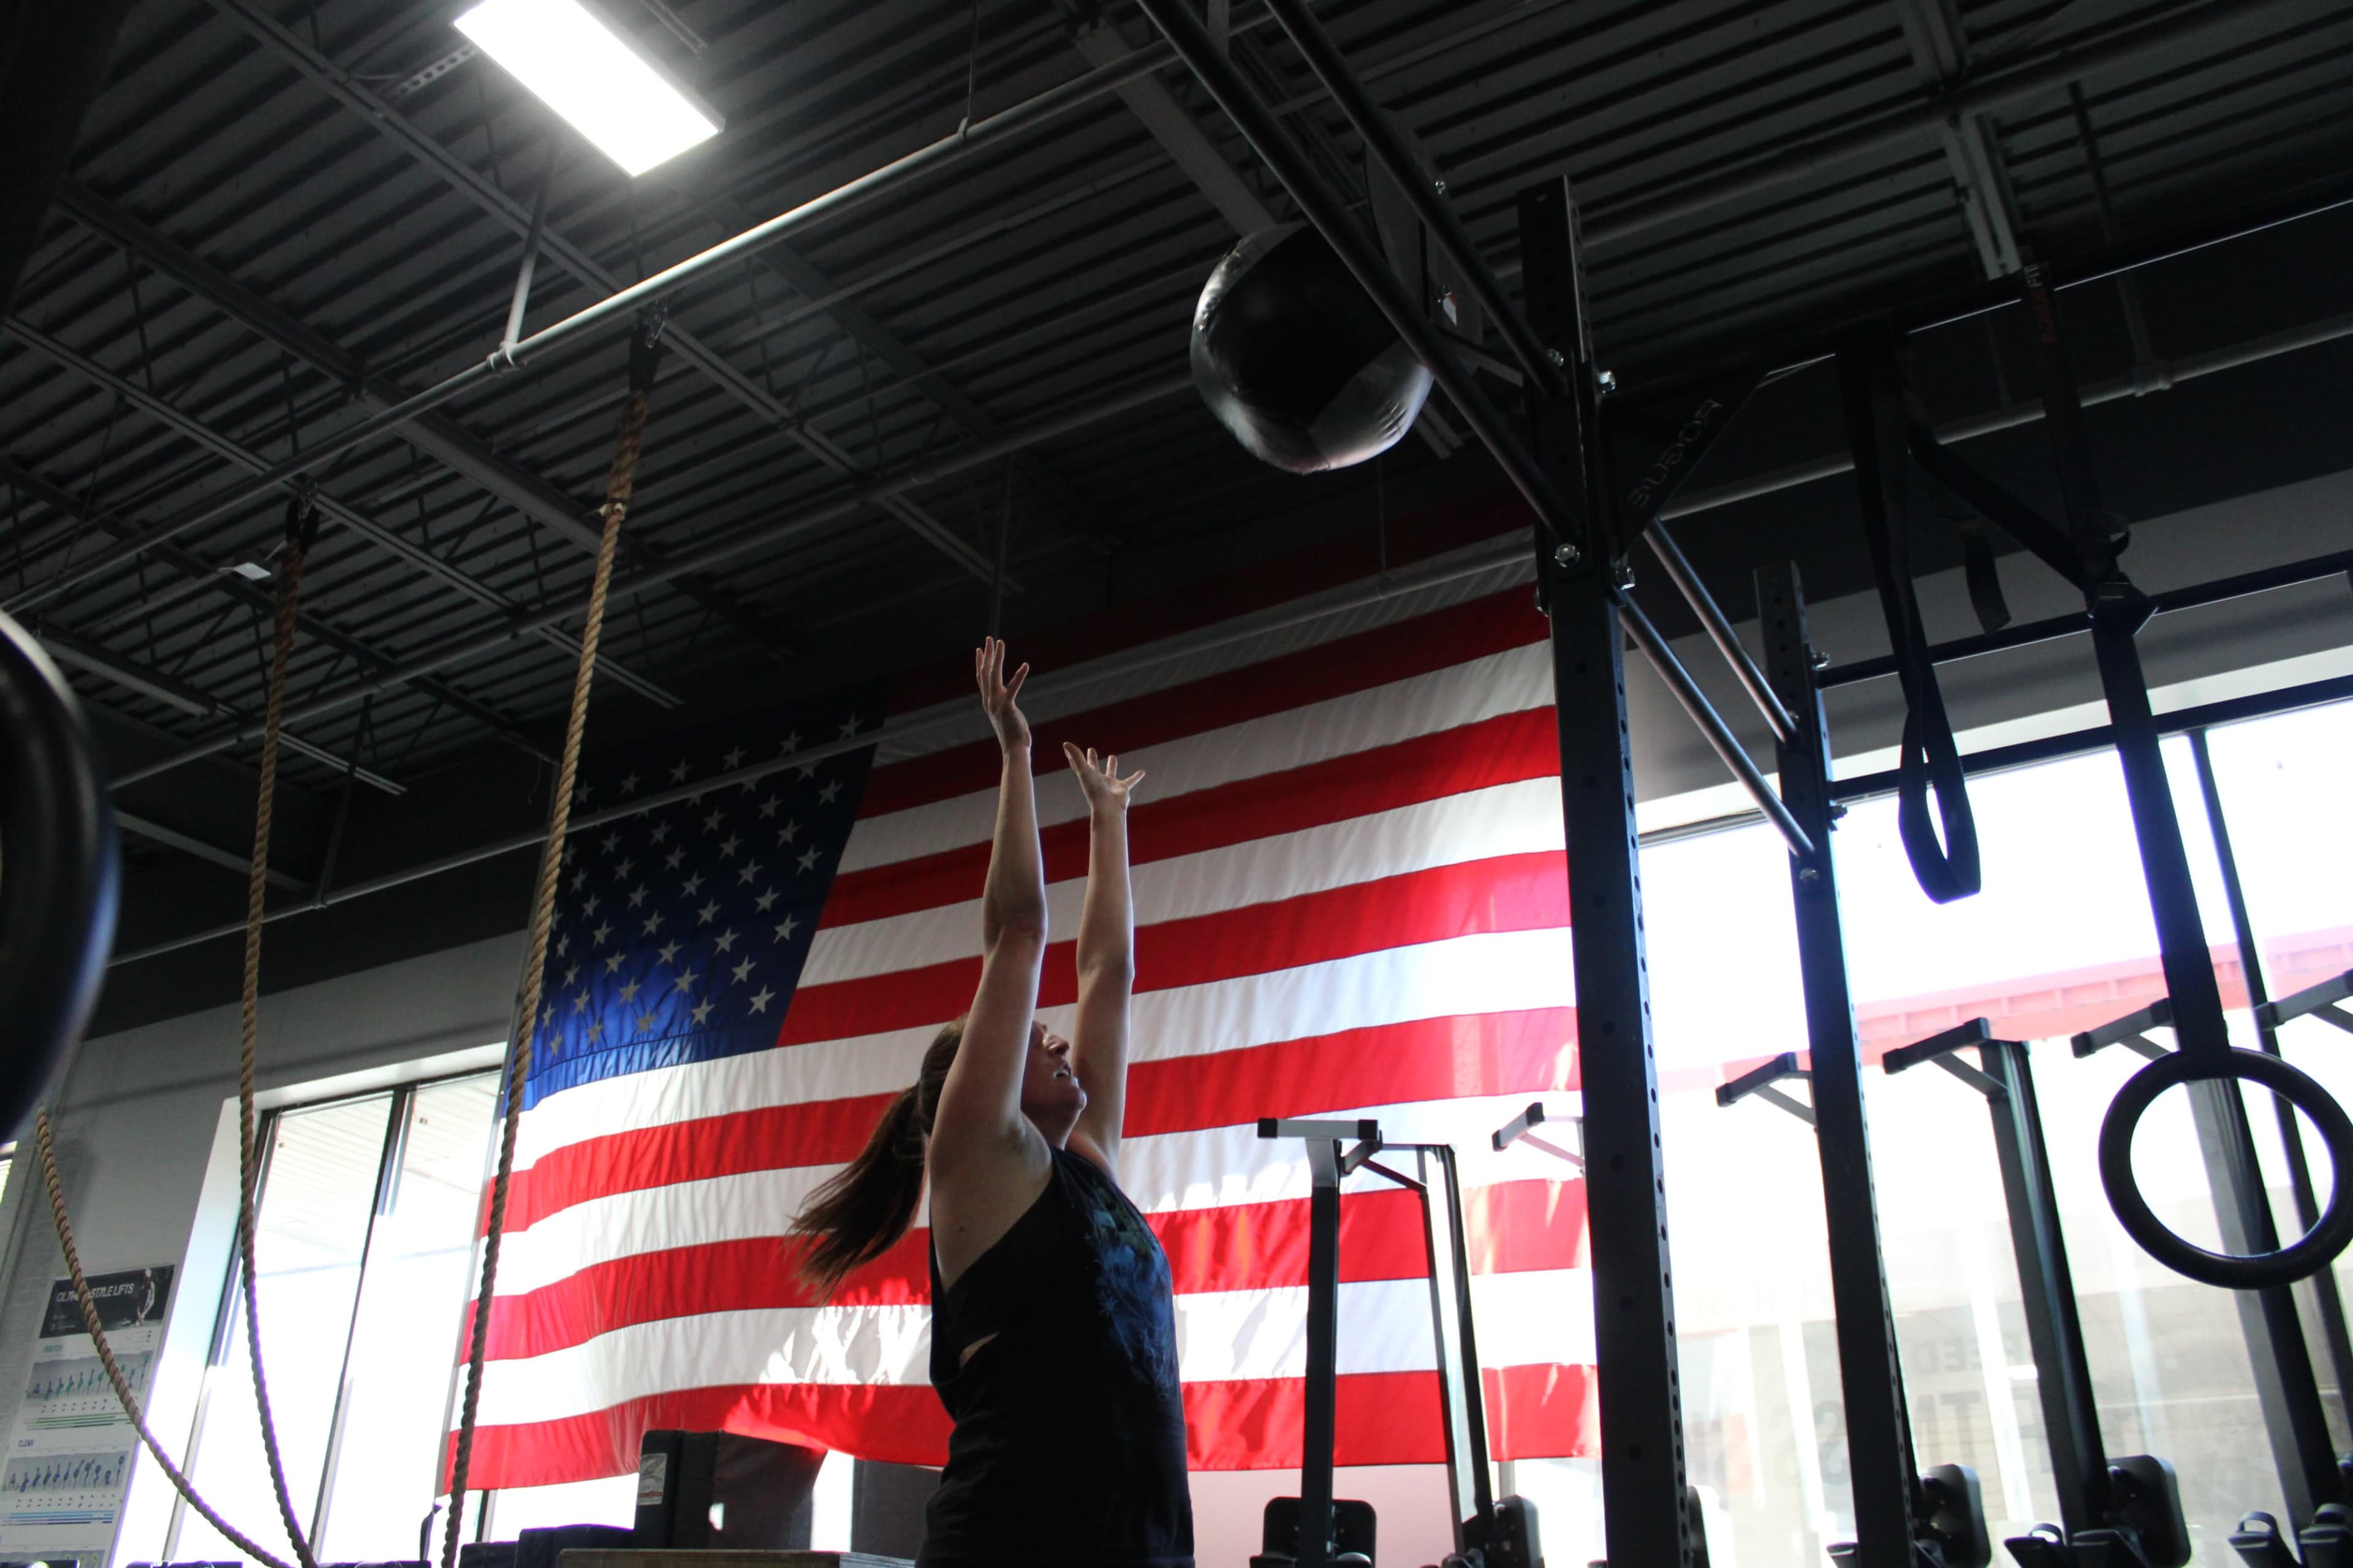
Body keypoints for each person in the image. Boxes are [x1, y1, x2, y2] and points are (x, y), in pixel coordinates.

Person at [792, 638, 1192, 1568]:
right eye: (1034, 1036)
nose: (1054, 1037)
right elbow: (1020, 927)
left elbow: (1110, 973)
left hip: (1139, 1544)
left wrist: (1108, 821)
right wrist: (1014, 752)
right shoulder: (982, 1161)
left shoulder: (1084, 1168)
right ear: (983, 1074)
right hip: (1017, 1543)